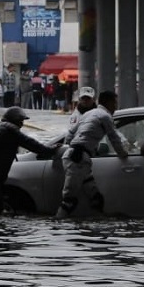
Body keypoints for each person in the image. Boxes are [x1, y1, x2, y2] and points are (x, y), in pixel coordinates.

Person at [56, 89, 131, 218]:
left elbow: (70, 134)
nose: (116, 106)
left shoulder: (89, 114)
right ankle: (57, 228)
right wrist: (124, 154)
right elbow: (114, 139)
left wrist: (72, 146)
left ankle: (96, 223)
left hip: (78, 158)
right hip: (77, 160)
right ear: (108, 103)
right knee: (69, 201)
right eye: (115, 103)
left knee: (96, 198)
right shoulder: (105, 116)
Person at [0, 106, 56, 215]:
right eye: (21, 121)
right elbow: (30, 143)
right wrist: (49, 150)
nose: (22, 124)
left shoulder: (1, 127)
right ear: (15, 120)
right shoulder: (10, 129)